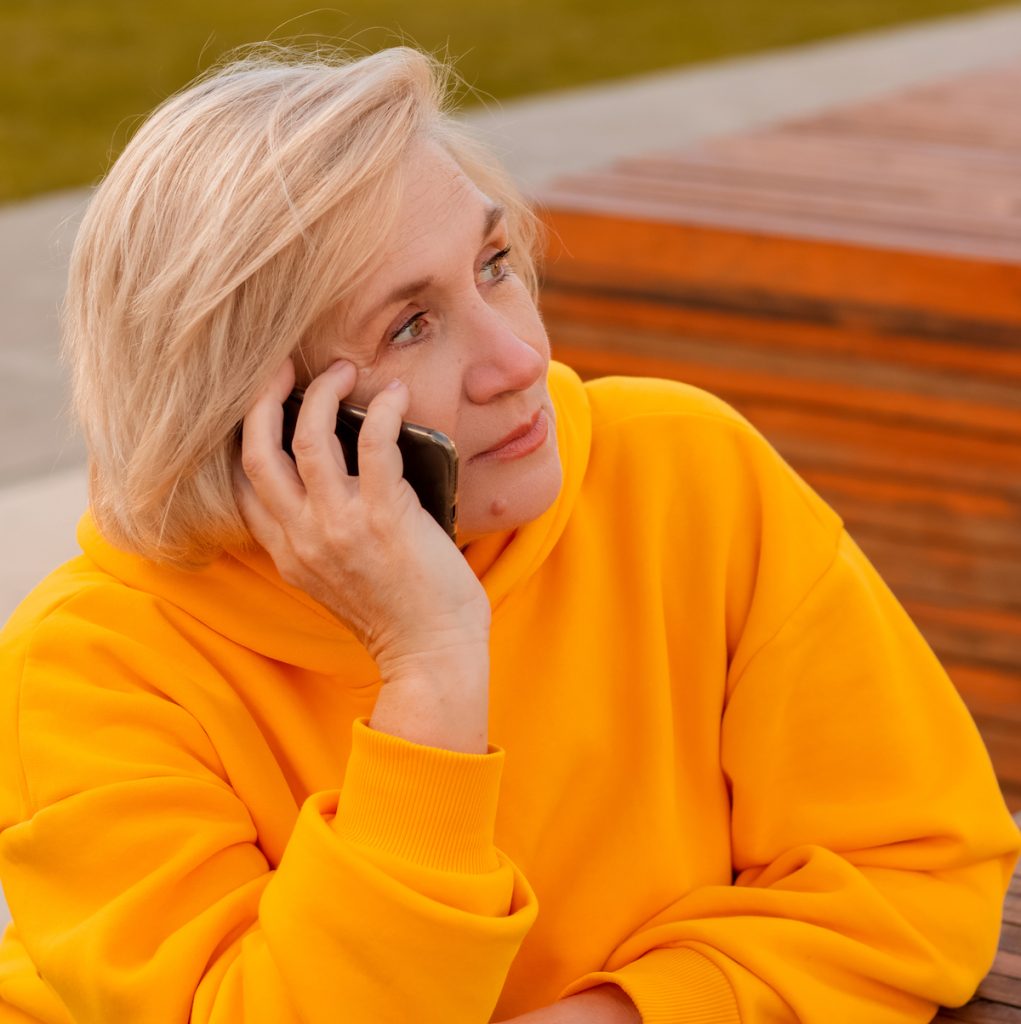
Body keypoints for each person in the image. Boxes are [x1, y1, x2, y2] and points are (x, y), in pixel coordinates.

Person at [0, 44, 1017, 1024]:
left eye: (492, 263)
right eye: (410, 324)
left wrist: (622, 1012)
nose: (518, 356)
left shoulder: (684, 473)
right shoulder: (93, 668)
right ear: (257, 418)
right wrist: (432, 664)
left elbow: (916, 868)